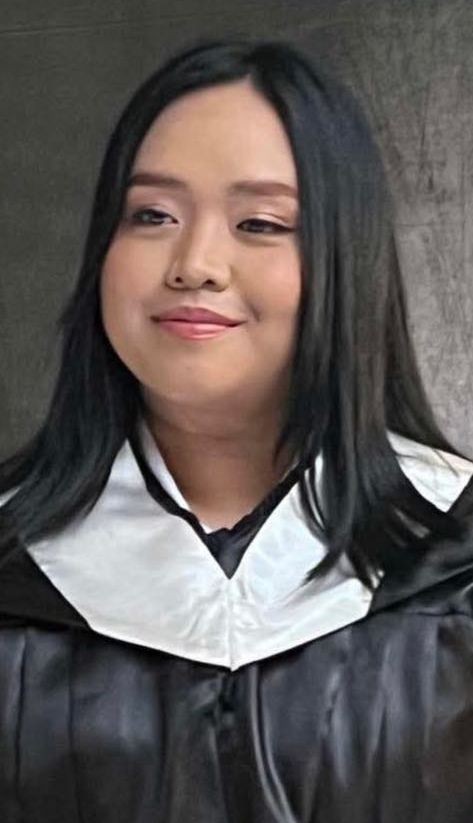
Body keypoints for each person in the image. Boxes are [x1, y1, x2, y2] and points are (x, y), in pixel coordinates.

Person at [0, 36, 472, 823]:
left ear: (342, 260)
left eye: (259, 223)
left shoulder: (452, 556)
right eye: (152, 214)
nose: (194, 262)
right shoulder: (20, 565)